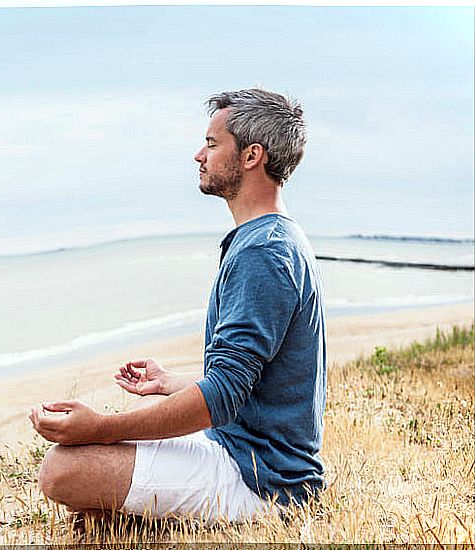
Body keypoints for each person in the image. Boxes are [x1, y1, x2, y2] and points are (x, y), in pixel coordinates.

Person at [29, 88, 326, 525]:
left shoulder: (263, 252)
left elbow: (222, 397)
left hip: (261, 480)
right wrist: (170, 382)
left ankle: (183, 517)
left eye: (211, 143)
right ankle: (137, 518)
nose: (198, 155)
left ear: (251, 156)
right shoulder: (269, 239)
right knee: (88, 479)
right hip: (238, 449)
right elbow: (254, 383)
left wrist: (102, 427)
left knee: (62, 470)